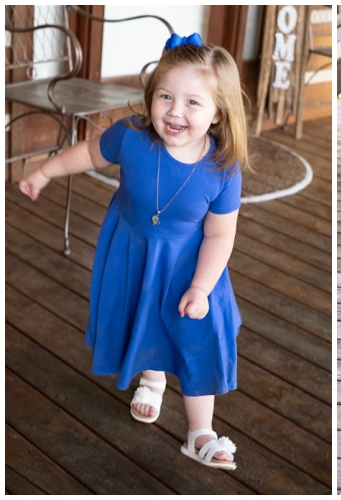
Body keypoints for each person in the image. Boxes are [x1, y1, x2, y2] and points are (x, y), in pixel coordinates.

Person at [20, 33, 248, 469]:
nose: (174, 111)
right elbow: (87, 153)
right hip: (132, 253)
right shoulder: (130, 138)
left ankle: (199, 433)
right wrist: (45, 171)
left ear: (218, 112)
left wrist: (202, 287)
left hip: (191, 266)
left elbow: (221, 235)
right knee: (142, 320)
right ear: (151, 96)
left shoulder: (223, 168)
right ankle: (152, 376)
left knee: (195, 340)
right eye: (165, 96)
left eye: (192, 103)